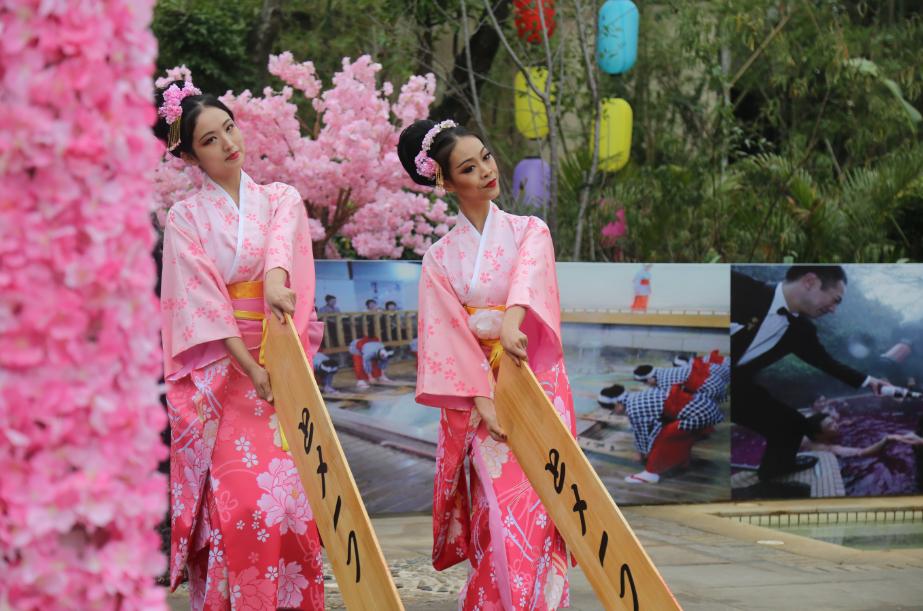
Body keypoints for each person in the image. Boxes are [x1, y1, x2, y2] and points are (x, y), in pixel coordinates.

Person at [155, 81, 325, 609]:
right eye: (210, 139)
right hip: (226, 374)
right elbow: (200, 302)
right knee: (244, 504)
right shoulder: (186, 217)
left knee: (293, 506)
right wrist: (250, 367)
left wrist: (275, 282)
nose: (228, 142)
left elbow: (283, 254)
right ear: (188, 154)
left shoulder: (280, 198)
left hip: (283, 360)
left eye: (229, 127)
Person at [398, 119, 574, 610]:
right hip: (481, 398)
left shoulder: (528, 230)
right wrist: (483, 402)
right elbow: (446, 336)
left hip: (532, 383)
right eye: (469, 168)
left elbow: (528, 281)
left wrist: (511, 323)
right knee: (497, 516)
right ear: (447, 182)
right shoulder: (439, 258)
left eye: (487, 157)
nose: (486, 172)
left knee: (542, 508)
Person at [731, 266, 888, 496]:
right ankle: (747, 495)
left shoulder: (801, 330)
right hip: (703, 377)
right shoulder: (739, 286)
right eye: (835, 300)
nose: (834, 310)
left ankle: (775, 470)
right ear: (810, 281)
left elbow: (827, 363)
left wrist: (868, 381)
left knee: (794, 423)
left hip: (737, 384)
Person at [604, 379, 725, 484]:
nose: (614, 413)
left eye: (611, 410)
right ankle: (682, 461)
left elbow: (644, 435)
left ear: (618, 405)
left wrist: (642, 454)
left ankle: (651, 473)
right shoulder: (634, 397)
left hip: (700, 415)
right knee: (677, 435)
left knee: (664, 437)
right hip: (704, 407)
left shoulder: (632, 409)